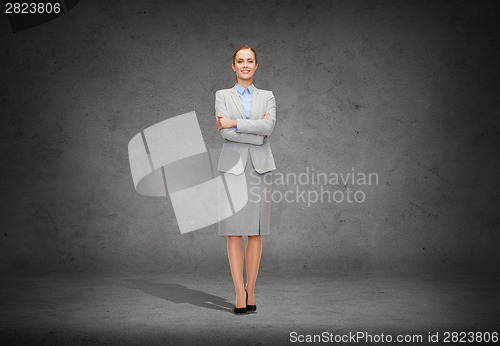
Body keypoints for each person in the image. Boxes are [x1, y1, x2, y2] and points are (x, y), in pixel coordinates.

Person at [215, 45, 277, 314]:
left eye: (249, 61)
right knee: (233, 231)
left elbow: (269, 127)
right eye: (240, 61)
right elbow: (225, 134)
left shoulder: (268, 96)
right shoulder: (221, 95)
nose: (244, 65)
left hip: (260, 168)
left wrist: (236, 123)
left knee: (255, 231)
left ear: (256, 66)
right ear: (233, 66)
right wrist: (257, 131)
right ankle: (239, 291)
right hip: (232, 168)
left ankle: (251, 289)